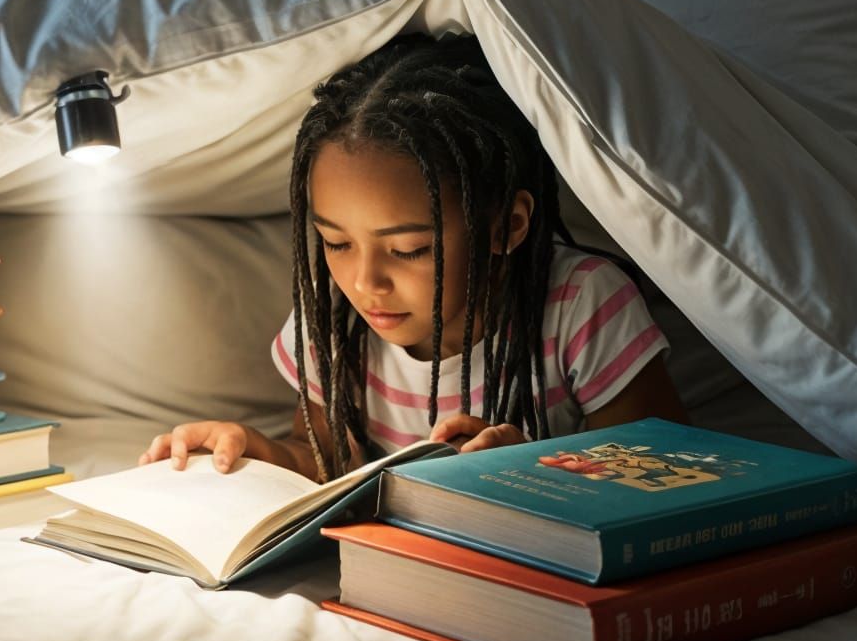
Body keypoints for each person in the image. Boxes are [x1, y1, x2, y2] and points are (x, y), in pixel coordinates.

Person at [140, 32, 686, 480]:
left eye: (409, 249)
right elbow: (330, 464)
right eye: (336, 242)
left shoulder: (581, 303)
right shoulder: (334, 319)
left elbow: (663, 470)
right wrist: (260, 454)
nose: (365, 281)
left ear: (507, 226)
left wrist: (531, 471)